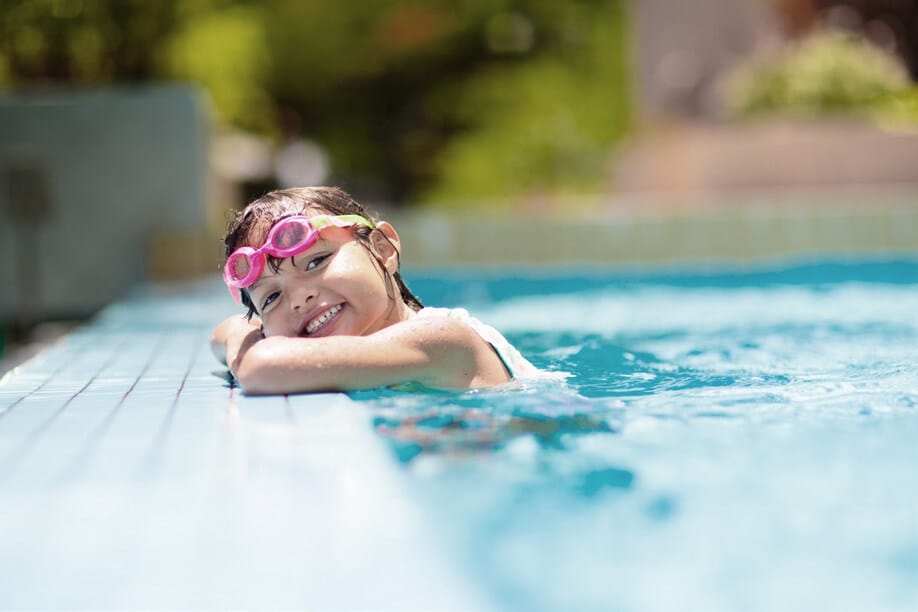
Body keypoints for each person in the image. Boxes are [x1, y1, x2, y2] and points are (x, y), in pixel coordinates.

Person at [211, 186, 539, 394]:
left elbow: (260, 366)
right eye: (271, 297)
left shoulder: (442, 339)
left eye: (316, 262)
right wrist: (247, 333)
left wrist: (247, 344)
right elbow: (224, 330)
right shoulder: (369, 353)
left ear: (382, 248)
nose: (299, 298)